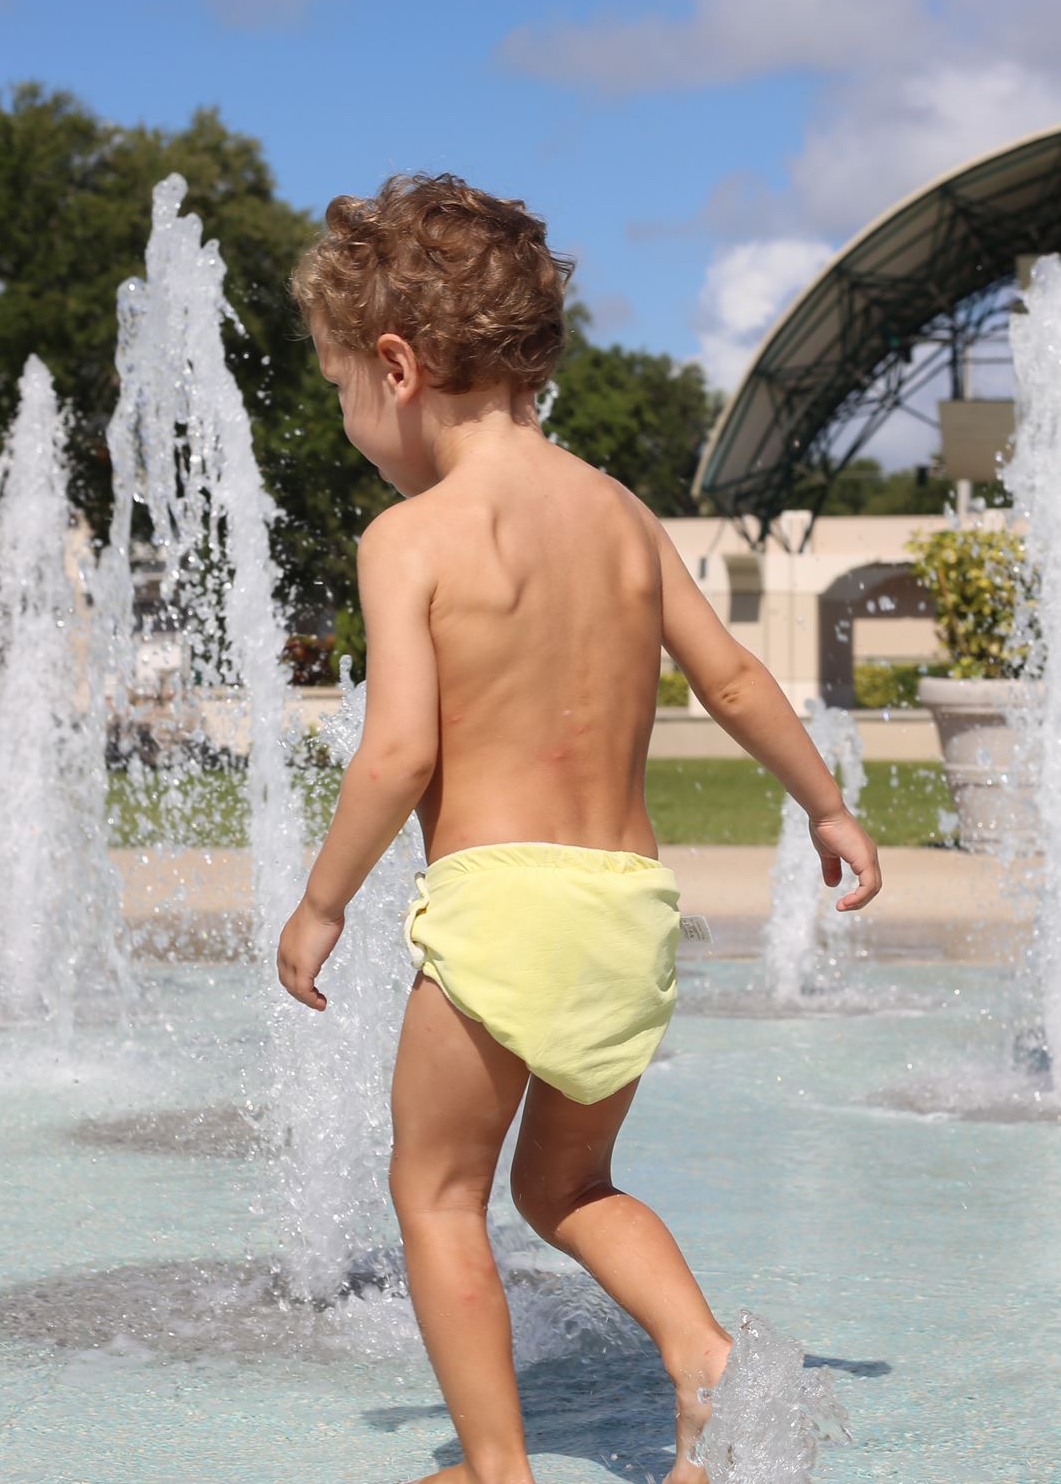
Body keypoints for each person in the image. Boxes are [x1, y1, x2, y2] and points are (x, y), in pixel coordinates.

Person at [274, 174, 880, 1484]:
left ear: (399, 365)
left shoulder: (413, 536)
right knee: (566, 1186)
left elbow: (398, 748)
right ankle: (709, 1366)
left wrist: (323, 900)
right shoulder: (617, 513)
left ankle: (499, 1471)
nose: (348, 424)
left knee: (435, 1193)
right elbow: (729, 677)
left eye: (342, 395)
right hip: (628, 911)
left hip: (500, 910)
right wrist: (825, 803)